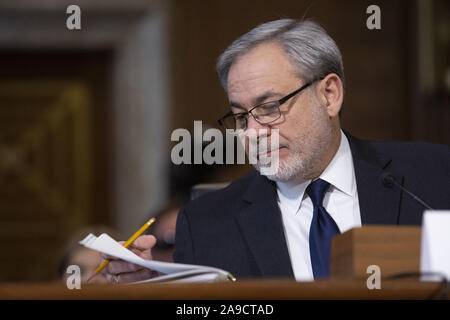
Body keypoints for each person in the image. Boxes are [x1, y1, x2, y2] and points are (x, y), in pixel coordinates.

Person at [103, 18, 450, 283]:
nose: (253, 133)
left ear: (329, 95)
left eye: (269, 107)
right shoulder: (207, 225)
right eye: (240, 116)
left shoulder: (432, 176)